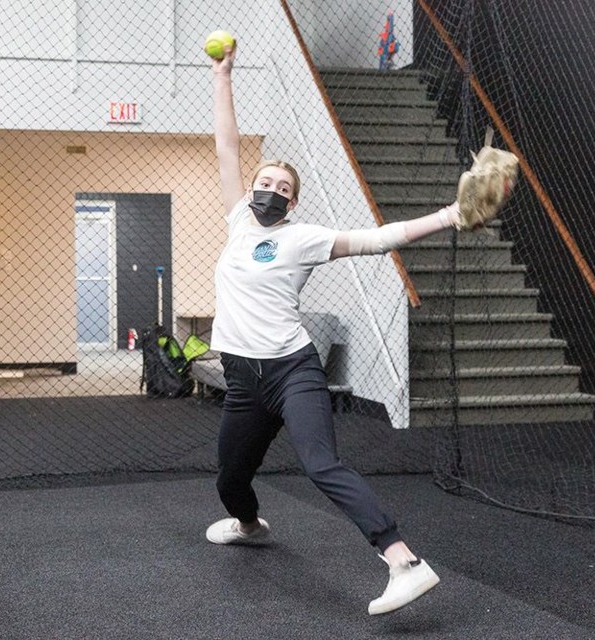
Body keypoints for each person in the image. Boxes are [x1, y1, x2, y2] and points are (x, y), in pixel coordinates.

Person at [204, 41, 518, 616]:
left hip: (291, 370)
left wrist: (452, 215)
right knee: (229, 480)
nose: (271, 190)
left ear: (293, 202)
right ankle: (249, 524)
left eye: (283, 188)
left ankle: (403, 561)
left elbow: (380, 239)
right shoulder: (236, 222)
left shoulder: (301, 239)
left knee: (321, 463)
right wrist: (223, 77)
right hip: (241, 378)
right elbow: (226, 145)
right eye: (265, 182)